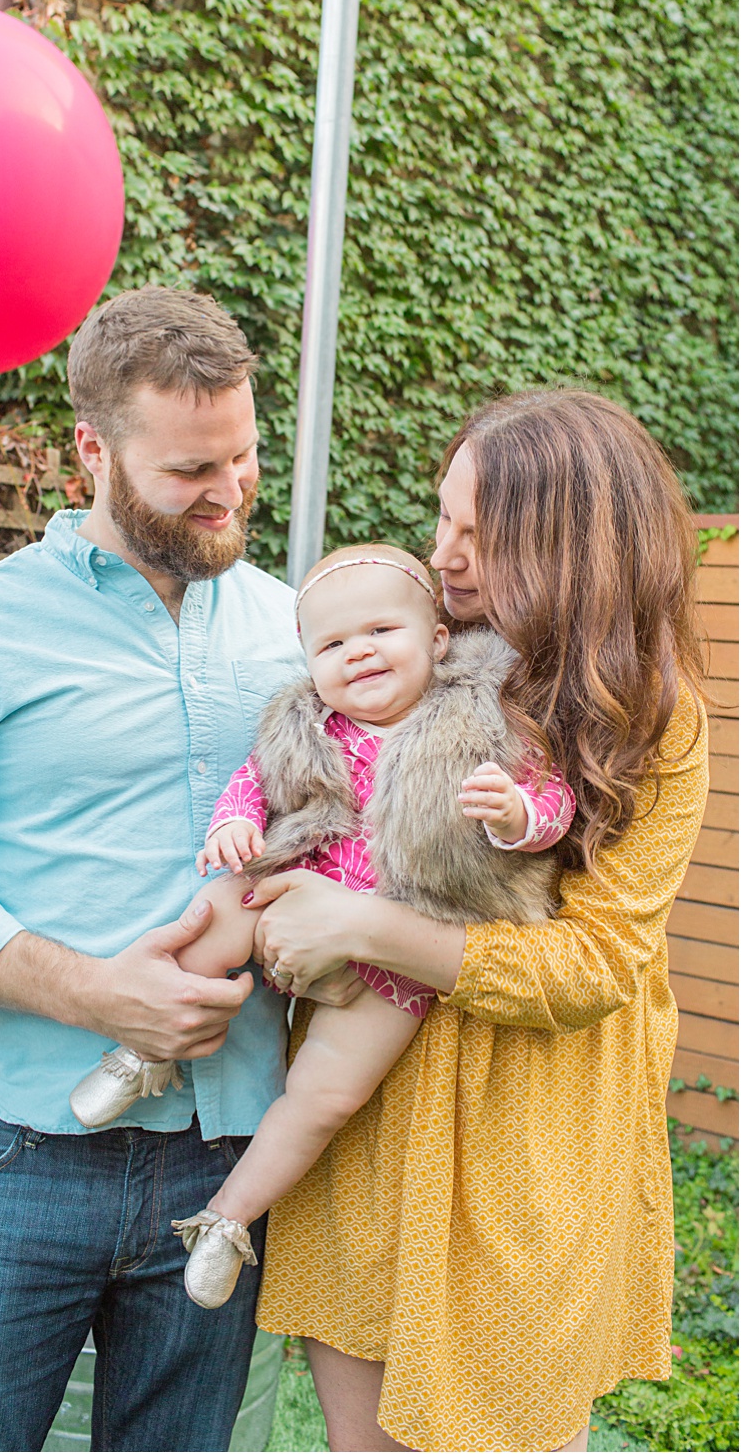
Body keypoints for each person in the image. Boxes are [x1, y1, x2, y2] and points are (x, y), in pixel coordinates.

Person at [0, 286, 351, 1454]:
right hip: (16, 1153)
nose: (227, 495)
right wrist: (96, 994)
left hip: (225, 1163)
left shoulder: (292, 629)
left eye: (244, 457)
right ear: (91, 450)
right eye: (186, 473)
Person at [246, 389, 709, 1453]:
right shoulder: (412, 658)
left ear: (564, 543)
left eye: (477, 532)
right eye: (440, 518)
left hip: (526, 1147)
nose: (441, 554)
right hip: (367, 1118)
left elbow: (591, 965)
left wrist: (358, 926)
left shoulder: (650, 714)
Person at [160, 546, 575, 1309]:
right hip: (291, 893)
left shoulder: (483, 715)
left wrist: (520, 816)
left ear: (438, 641)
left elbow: (552, 798)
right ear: (310, 664)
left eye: (382, 629)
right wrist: (233, 826)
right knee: (213, 914)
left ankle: (225, 1219)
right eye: (332, 644)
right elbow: (250, 784)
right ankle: (142, 1048)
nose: (359, 652)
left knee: (324, 1093)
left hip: (402, 951)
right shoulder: (309, 723)